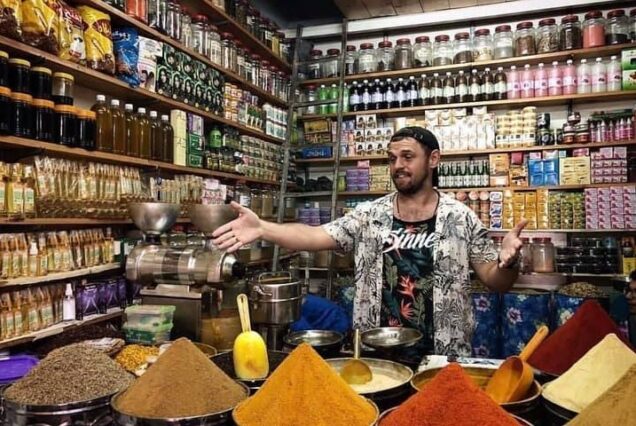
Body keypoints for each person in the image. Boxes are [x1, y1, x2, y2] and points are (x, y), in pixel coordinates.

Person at [213, 127, 526, 356]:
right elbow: (314, 235)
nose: (398, 165)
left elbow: (495, 280)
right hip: (377, 353)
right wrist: (263, 228)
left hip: (443, 355)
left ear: (433, 159)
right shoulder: (369, 215)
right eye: (392, 159)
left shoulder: (461, 218)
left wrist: (508, 263)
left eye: (407, 157)